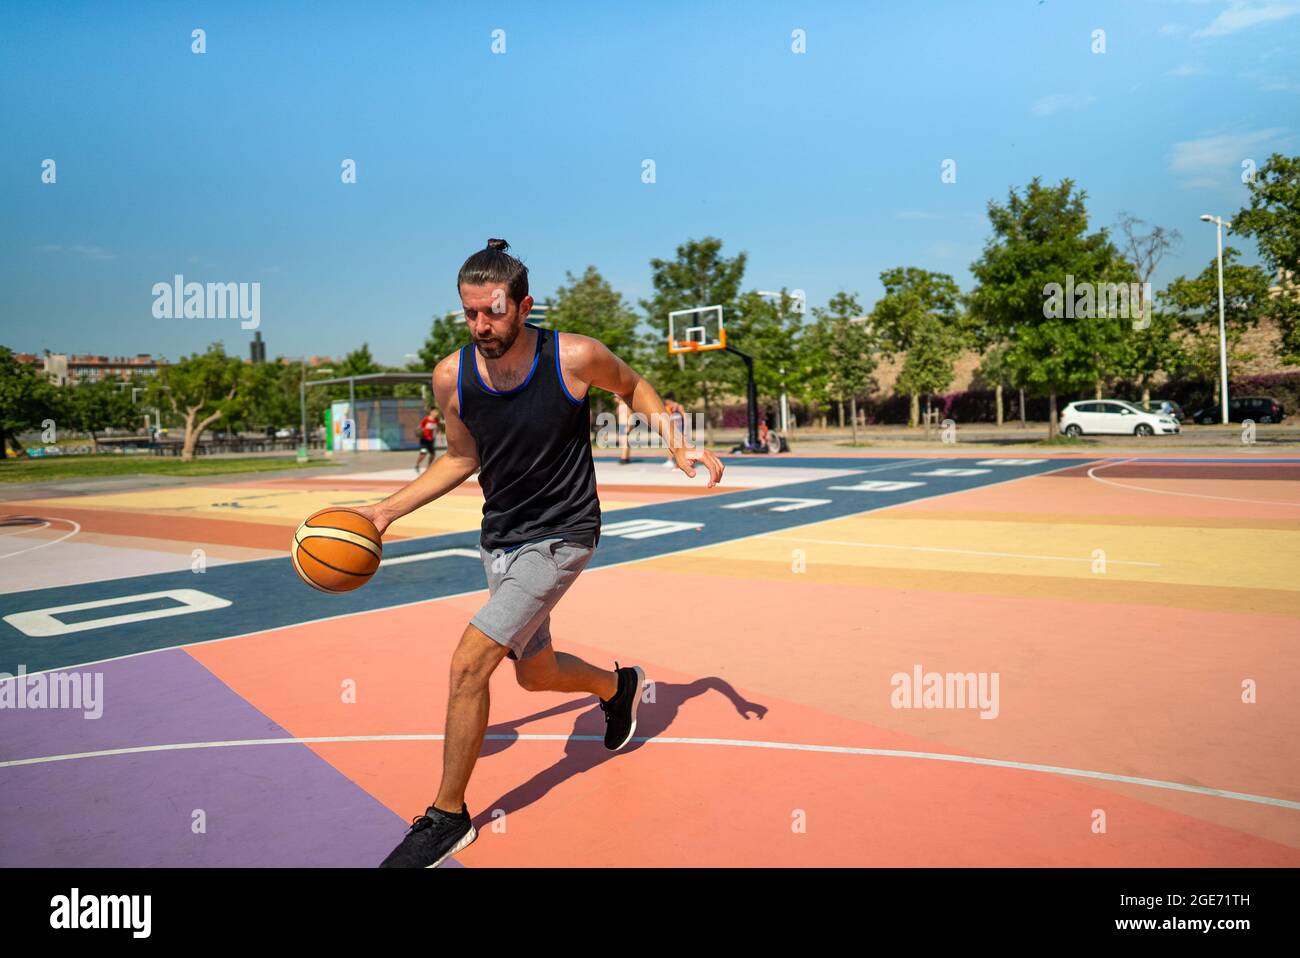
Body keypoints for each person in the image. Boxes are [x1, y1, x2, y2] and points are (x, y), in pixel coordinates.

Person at [353, 239, 724, 868]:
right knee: (534, 673)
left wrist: (678, 444)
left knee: (470, 661)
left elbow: (634, 387)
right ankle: (617, 687)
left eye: (492, 313)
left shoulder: (574, 357)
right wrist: (386, 510)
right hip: (501, 535)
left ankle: (447, 817)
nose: (480, 327)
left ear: (523, 305)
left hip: (565, 533)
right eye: (469, 314)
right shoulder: (453, 375)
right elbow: (462, 458)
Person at [415, 406, 440, 473]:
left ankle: (428, 467)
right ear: (431, 412)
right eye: (435, 411)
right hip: (424, 440)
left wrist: (438, 433)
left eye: (437, 412)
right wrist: (419, 432)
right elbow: (419, 427)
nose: (436, 413)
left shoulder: (436, 420)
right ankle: (417, 465)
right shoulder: (426, 419)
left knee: (433, 454)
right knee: (423, 453)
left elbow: (437, 429)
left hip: (431, 440)